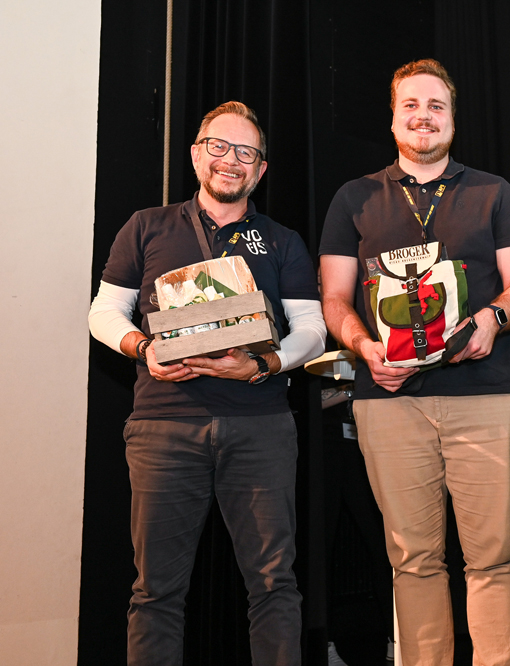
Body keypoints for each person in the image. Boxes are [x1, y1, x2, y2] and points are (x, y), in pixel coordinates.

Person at [88, 100, 327, 665]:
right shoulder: (146, 226)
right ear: (197, 155)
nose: (230, 160)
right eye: (219, 146)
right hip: (163, 427)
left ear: (260, 169)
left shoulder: (282, 240)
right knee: (155, 592)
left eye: (246, 152)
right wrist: (144, 348)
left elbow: (313, 331)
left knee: (274, 584)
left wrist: (264, 365)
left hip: (261, 427)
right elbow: (103, 312)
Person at [318, 58, 510, 666]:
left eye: (436, 106)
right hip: (389, 401)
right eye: (411, 105)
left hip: (487, 396)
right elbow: (333, 299)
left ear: (453, 120)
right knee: (412, 561)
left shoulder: (494, 191)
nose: (424, 116)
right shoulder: (354, 198)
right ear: (392, 120)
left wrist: (492, 319)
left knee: (493, 558)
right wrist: (363, 348)